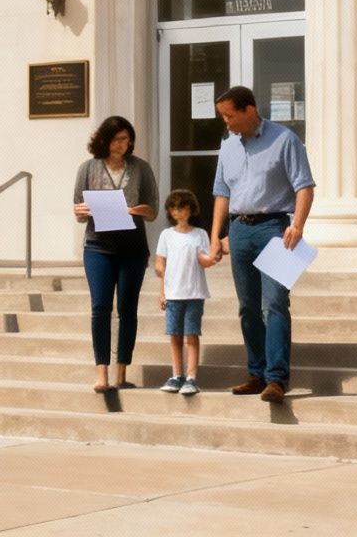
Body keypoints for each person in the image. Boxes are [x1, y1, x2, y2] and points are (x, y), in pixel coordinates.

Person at [209, 85, 315, 404]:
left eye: (229, 115)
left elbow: (305, 186)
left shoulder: (285, 139)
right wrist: (216, 236)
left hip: (275, 227)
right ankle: (256, 373)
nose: (225, 122)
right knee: (248, 307)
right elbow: (221, 193)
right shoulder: (227, 145)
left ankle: (276, 379)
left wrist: (298, 225)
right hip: (240, 229)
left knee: (276, 303)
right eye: (222, 116)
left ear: (249, 110)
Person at [71, 115, 159, 394]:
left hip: (133, 247)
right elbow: (78, 209)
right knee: (100, 308)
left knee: (127, 309)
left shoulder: (141, 168)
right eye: (119, 138)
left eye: (127, 138)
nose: (125, 143)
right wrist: (80, 211)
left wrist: (136, 210)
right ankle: (102, 375)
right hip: (98, 246)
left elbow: (153, 209)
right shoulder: (88, 168)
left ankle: (122, 372)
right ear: (105, 140)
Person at [153, 189, 220, 395]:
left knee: (191, 334)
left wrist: (214, 257)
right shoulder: (166, 235)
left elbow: (204, 259)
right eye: (173, 208)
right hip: (173, 294)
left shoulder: (200, 234)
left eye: (181, 207)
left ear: (190, 209)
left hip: (194, 293)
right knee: (174, 335)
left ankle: (191, 377)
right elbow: (160, 264)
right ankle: (177, 375)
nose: (177, 212)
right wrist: (162, 292)